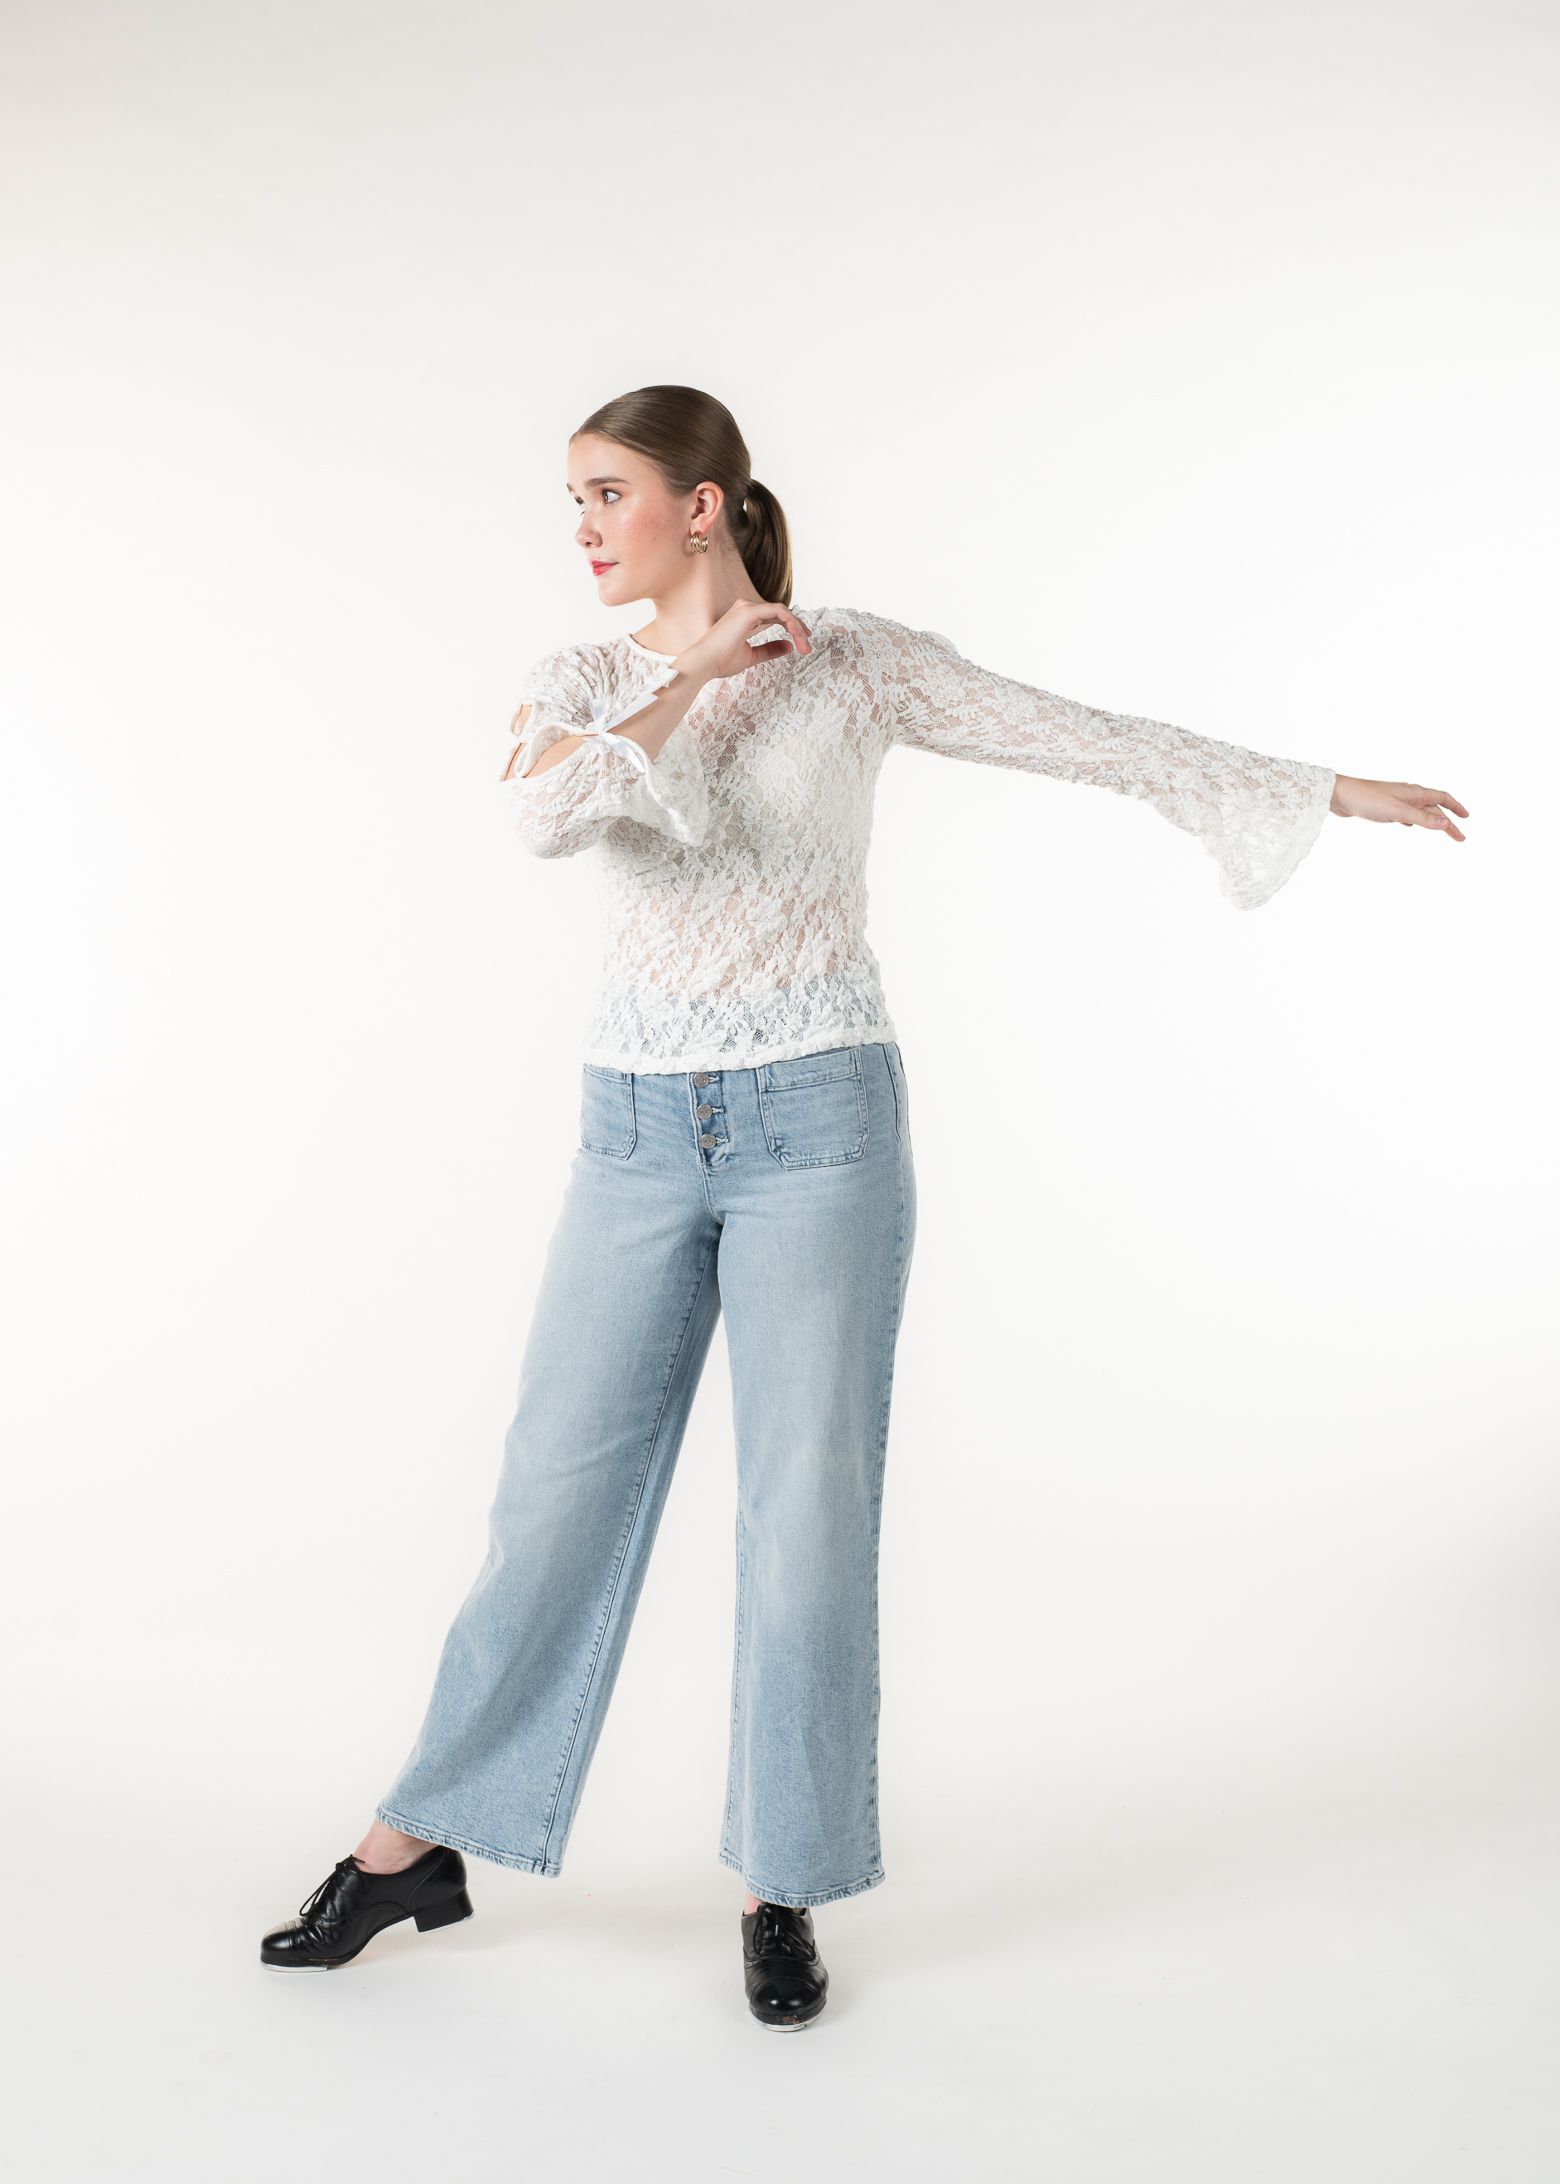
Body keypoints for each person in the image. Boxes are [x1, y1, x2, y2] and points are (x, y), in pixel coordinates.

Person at [260, 384, 1468, 2028]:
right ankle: (420, 1843)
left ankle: (783, 1886)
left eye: (609, 494)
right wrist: (691, 672)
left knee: (805, 1517)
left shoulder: (861, 659)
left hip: (820, 1119)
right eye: (573, 500)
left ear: (705, 504)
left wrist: (1314, 785)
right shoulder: (581, 683)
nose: (584, 528)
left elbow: (1079, 732)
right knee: (553, 1492)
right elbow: (547, 814)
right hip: (632, 1132)